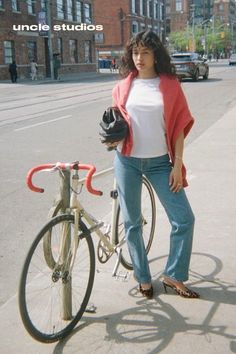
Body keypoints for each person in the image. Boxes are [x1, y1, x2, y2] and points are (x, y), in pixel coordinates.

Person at [107, 30, 199, 300]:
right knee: (132, 223)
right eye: (135, 52)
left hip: (161, 163)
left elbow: (179, 126)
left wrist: (177, 164)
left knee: (184, 219)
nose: (139, 58)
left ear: (156, 55)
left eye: (145, 52)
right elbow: (118, 122)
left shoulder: (170, 84)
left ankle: (173, 274)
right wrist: (111, 135)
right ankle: (143, 277)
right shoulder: (123, 86)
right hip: (127, 161)